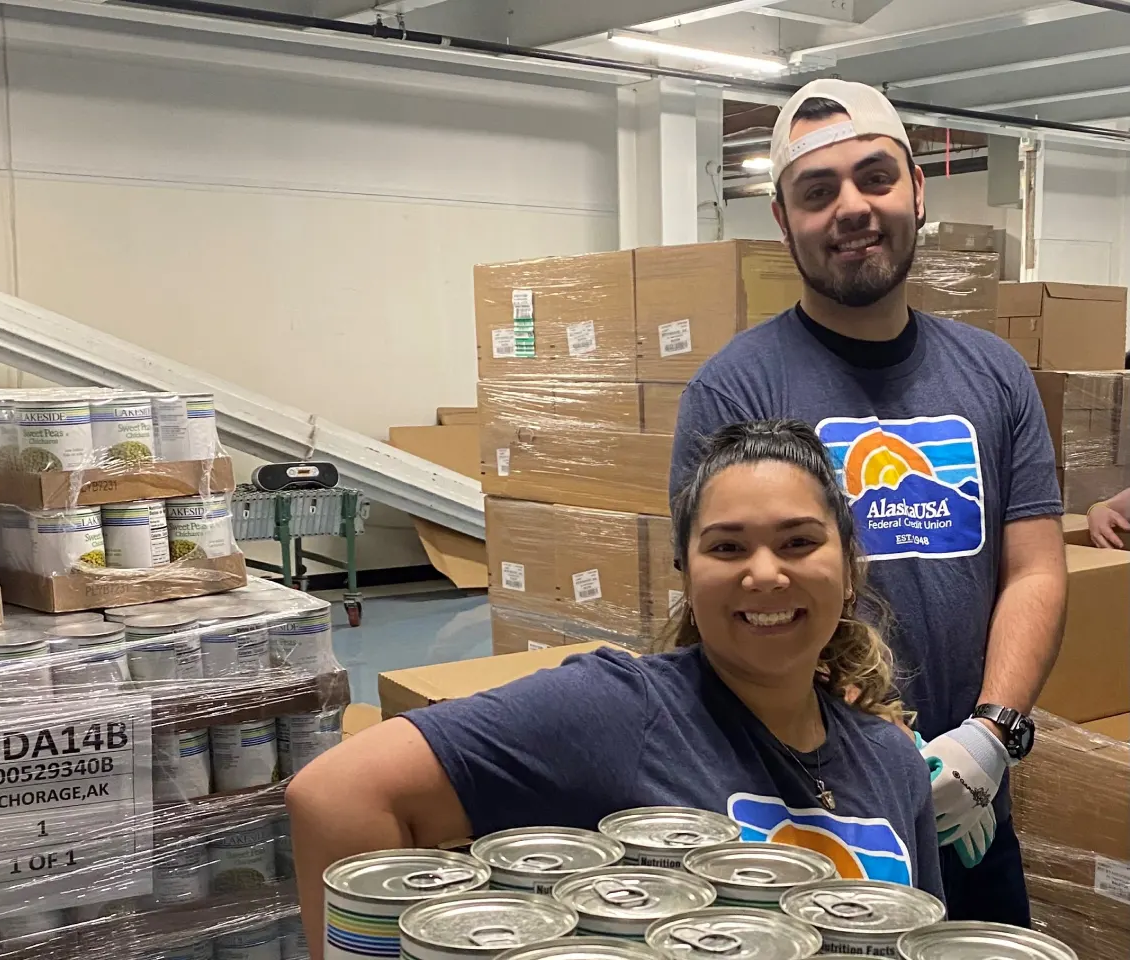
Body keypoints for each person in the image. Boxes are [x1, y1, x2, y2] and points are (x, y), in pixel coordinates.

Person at [289, 419, 943, 960]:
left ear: (849, 568)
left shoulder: (891, 759)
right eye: (727, 548)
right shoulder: (624, 710)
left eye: (798, 542)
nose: (765, 574)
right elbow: (336, 796)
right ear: (687, 574)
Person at [669, 79, 1067, 927]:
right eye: (818, 192)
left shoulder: (996, 376)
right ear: (783, 222)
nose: (851, 207)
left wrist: (991, 737)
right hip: (805, 814)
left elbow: (1034, 569)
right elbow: (716, 604)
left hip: (971, 801)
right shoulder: (734, 389)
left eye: (875, 178)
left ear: (917, 192)